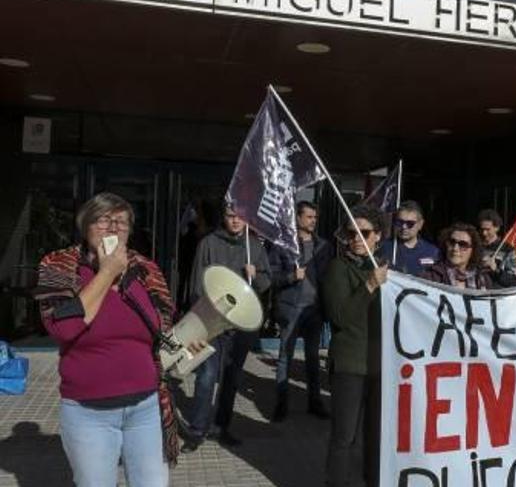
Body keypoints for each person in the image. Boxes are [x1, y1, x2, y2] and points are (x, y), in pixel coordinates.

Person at [34, 192, 181, 486]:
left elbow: (162, 325)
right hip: (90, 413)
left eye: (121, 222)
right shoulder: (60, 265)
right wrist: (107, 272)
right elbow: (63, 328)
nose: (113, 228)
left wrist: (188, 339)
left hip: (146, 407)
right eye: (103, 220)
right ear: (85, 225)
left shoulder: (145, 270)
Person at [181, 203, 271, 452]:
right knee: (207, 378)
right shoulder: (208, 243)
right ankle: (196, 431)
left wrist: (257, 274)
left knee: (231, 379)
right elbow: (196, 285)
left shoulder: (254, 247)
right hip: (211, 323)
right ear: (224, 217)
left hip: (240, 327)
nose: (235, 221)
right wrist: (199, 318)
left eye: (240, 217)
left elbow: (264, 284)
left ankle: (221, 427)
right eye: (231, 216)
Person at [323, 205, 389, 487]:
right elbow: (340, 317)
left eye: (364, 233)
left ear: (378, 236)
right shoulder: (338, 267)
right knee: (344, 437)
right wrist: (369, 287)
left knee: (375, 437)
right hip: (350, 365)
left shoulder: (386, 268)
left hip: (381, 365)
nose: (356, 238)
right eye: (351, 233)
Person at [269, 201, 333, 421]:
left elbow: (328, 279)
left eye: (315, 217)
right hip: (291, 309)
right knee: (285, 357)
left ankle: (314, 402)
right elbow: (271, 278)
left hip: (314, 311)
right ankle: (281, 404)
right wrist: (291, 277)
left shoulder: (324, 246)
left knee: (313, 359)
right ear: (297, 218)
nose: (313, 221)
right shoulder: (283, 245)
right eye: (308, 217)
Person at [422, 222, 493, 289]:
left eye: (463, 244)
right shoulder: (431, 276)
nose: (455, 248)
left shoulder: (483, 279)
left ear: (473, 250)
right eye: (451, 242)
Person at [377, 200, 439, 276]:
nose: (404, 227)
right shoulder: (384, 248)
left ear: (420, 224)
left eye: (410, 223)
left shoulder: (432, 252)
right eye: (400, 222)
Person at [476, 209, 516, 287]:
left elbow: (514, 281)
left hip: (496, 295)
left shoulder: (507, 250)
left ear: (497, 228)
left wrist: (496, 269)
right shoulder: (474, 246)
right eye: (482, 229)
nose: (484, 233)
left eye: (488, 229)